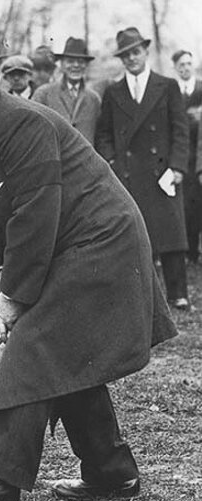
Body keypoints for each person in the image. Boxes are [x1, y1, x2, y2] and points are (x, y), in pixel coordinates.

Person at [0, 38, 176, 501]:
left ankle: (0, 481)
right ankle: (112, 474)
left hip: (102, 242)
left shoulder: (19, 121)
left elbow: (35, 211)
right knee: (65, 353)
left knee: (37, 341)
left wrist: (15, 296)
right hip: (63, 245)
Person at [96, 27, 190, 310]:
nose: (131, 58)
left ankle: (178, 293)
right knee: (135, 236)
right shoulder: (113, 92)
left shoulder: (167, 86)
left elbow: (180, 130)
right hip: (127, 174)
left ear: (145, 52)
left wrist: (177, 166)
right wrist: (112, 161)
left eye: (135, 52)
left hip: (163, 173)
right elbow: (104, 134)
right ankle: (142, 294)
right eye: (125, 55)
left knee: (172, 233)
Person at [32, 37, 102, 144]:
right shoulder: (43, 94)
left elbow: (100, 137)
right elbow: (33, 133)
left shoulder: (94, 99)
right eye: (70, 61)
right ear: (62, 64)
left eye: (81, 61)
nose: (76, 65)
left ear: (86, 65)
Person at [172, 49, 202, 263]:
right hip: (181, 157)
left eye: (188, 64)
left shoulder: (201, 88)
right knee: (185, 206)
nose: (185, 68)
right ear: (176, 68)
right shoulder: (172, 91)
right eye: (181, 65)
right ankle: (188, 251)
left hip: (200, 155)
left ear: (194, 65)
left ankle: (197, 251)